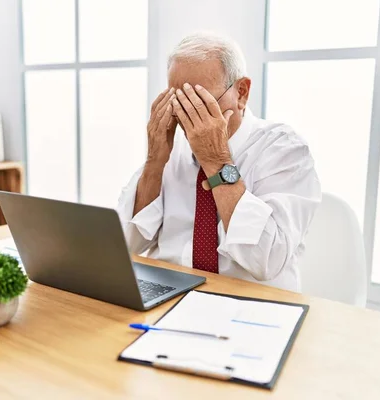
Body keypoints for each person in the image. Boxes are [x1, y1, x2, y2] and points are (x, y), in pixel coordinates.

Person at [117, 32, 321, 291]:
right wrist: (154, 163)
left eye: (201, 101)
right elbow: (126, 244)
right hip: (167, 294)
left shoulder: (285, 150)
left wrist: (216, 161)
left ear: (242, 92)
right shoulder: (171, 147)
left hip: (251, 305)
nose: (186, 114)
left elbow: (266, 259)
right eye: (177, 100)